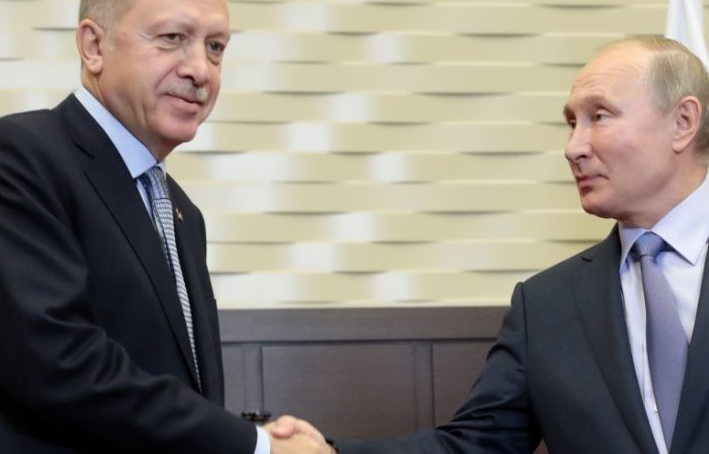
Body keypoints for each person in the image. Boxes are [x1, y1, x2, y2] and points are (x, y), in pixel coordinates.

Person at [0, 0, 325, 454]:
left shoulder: (181, 211)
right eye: (172, 38)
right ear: (93, 46)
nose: (201, 70)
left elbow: (172, 388)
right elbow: (59, 365)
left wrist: (252, 439)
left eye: (215, 47)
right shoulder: (19, 156)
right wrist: (256, 446)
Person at [278, 36, 709, 454]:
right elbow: (477, 445)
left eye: (599, 116)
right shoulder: (546, 305)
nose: (573, 147)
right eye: (571, 123)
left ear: (683, 122)